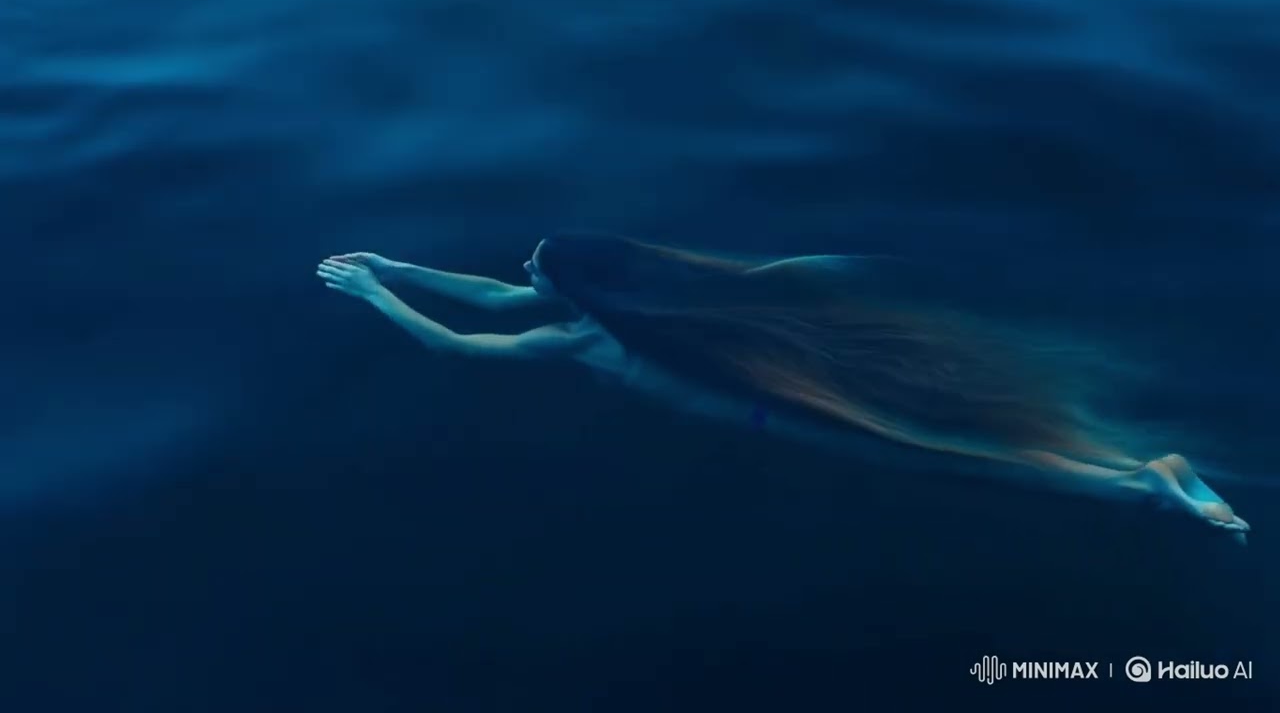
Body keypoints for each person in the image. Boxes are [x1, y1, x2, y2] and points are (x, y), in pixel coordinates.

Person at [316, 234, 1249, 542]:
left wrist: (371, 295)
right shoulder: (666, 298)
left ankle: (1141, 486)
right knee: (964, 424)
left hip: (776, 417)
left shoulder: (574, 340)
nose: (520, 271)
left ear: (571, 293)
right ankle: (1135, 470)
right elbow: (493, 292)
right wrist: (393, 260)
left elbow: (459, 345)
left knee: (980, 457)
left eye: (537, 267)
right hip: (787, 381)